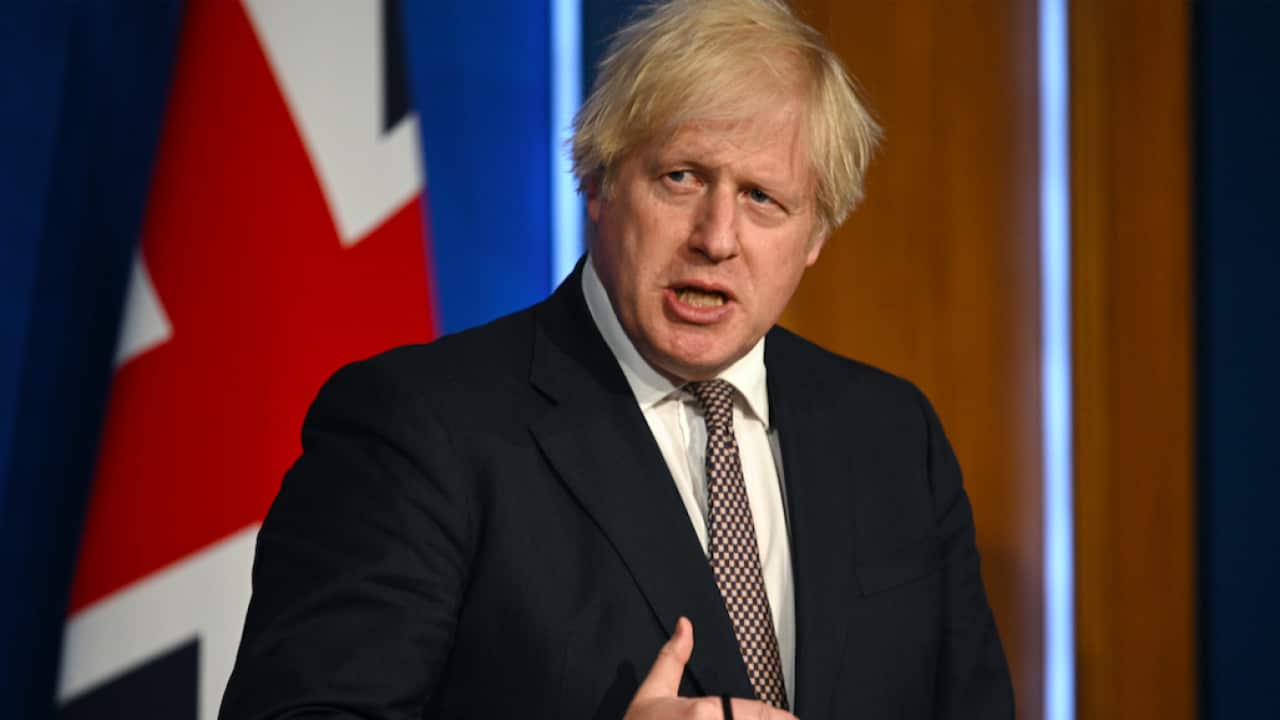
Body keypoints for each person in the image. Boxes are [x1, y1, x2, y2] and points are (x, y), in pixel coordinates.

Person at [220, 0, 1014, 718]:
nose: (717, 236)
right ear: (597, 183)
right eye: (682, 177)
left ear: (814, 237)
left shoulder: (891, 436)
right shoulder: (421, 428)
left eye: (762, 198)